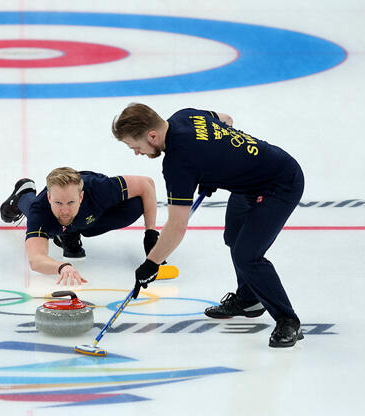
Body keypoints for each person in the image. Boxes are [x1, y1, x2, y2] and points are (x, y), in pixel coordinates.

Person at [112, 103, 305, 348]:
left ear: (152, 136)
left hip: (280, 183)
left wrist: (152, 263)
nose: (137, 153)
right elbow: (227, 119)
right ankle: (249, 300)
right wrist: (214, 164)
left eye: (136, 147)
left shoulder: (178, 163)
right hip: (252, 183)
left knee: (247, 255)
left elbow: (177, 225)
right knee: (233, 237)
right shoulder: (184, 116)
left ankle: (288, 321)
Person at [0, 167, 159, 285]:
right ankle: (24, 195)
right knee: (42, 221)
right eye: (58, 202)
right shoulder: (41, 211)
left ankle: (70, 231)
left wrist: (151, 234)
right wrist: (62, 267)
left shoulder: (99, 189)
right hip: (54, 220)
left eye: (71, 202)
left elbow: (147, 184)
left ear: (81, 197)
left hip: (91, 216)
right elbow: (36, 260)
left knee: (135, 206)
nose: (64, 210)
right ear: (49, 198)